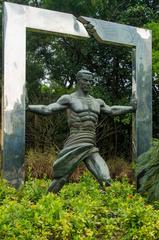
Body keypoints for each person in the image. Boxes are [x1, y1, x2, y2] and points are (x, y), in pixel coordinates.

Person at [28, 70, 136, 193]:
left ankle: (105, 205)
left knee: (105, 178)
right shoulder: (69, 99)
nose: (88, 83)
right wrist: (28, 107)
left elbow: (112, 110)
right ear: (78, 81)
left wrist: (132, 108)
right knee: (61, 178)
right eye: (85, 80)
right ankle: (47, 201)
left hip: (90, 144)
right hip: (75, 141)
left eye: (90, 81)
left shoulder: (97, 102)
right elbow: (48, 109)